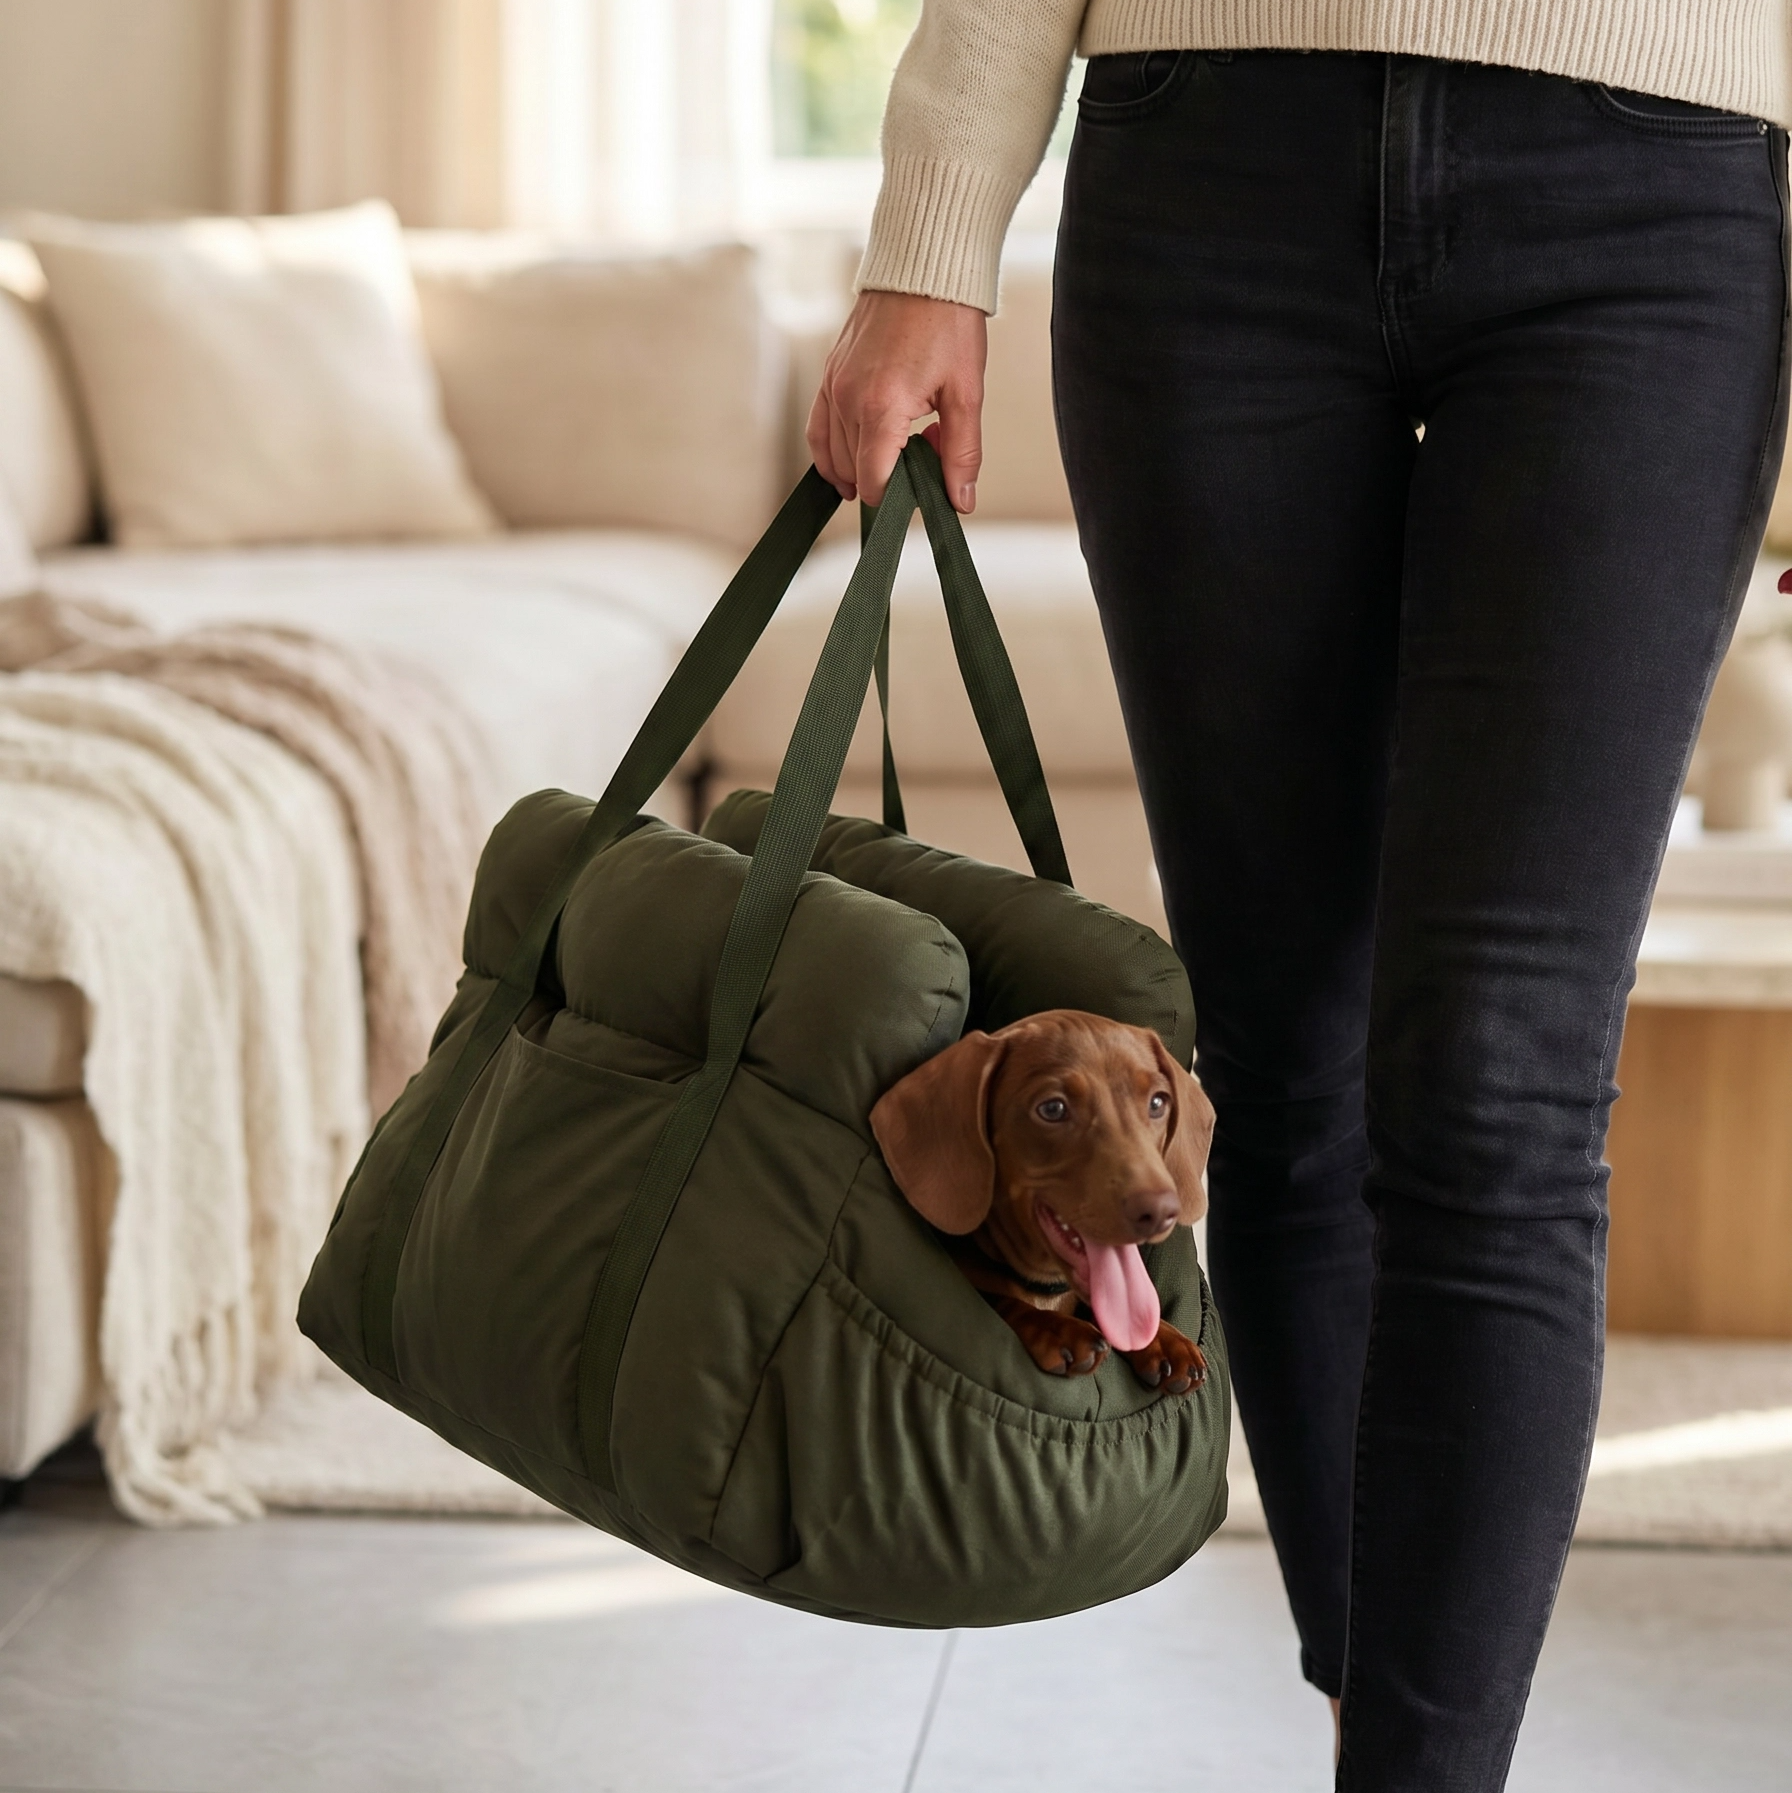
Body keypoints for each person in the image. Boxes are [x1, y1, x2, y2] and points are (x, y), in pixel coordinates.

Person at [807, 9, 1790, 1789]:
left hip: (1660, 183)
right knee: (1282, 1052)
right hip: (1208, 172)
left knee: (1497, 1079)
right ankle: (1371, 1721)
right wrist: (930, 248)